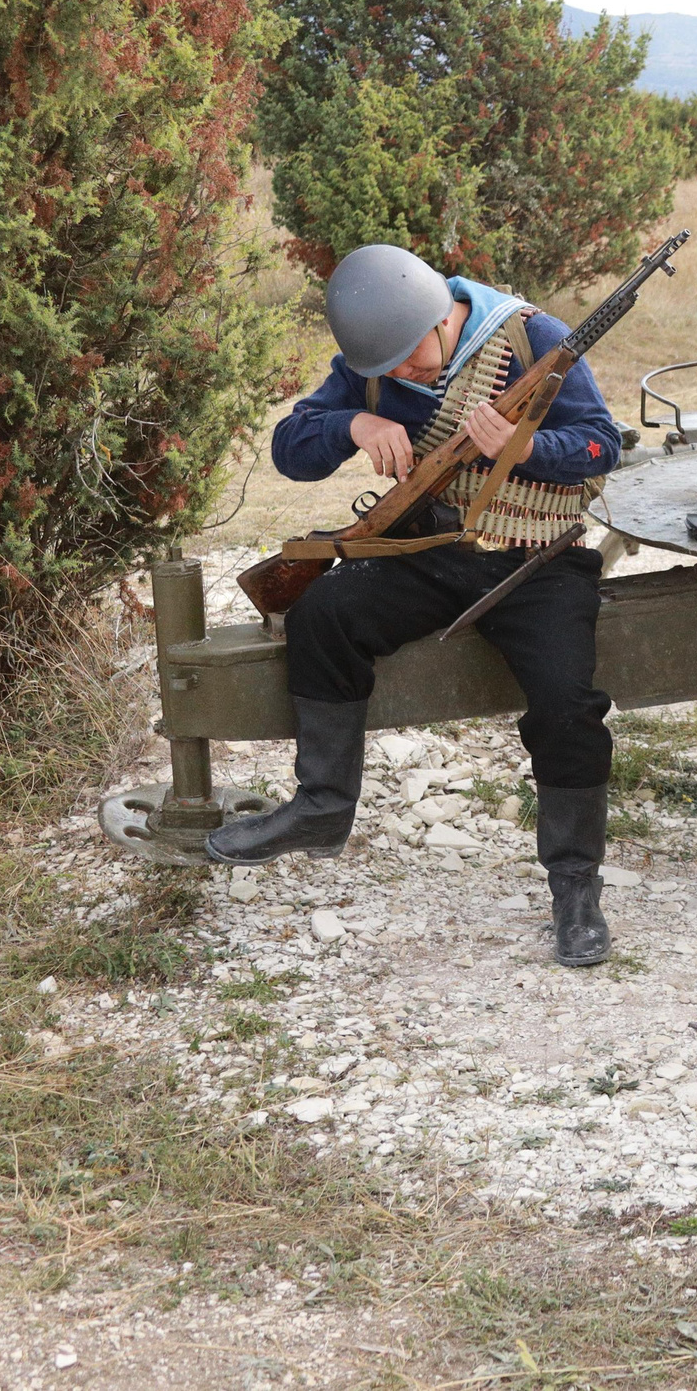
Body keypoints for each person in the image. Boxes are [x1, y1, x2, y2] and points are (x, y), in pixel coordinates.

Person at [206, 243, 626, 969]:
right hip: (430, 554)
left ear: (442, 315)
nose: (405, 374)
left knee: (567, 702)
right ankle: (324, 805)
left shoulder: (532, 339)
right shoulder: (371, 368)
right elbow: (289, 450)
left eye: (411, 358)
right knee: (322, 615)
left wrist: (525, 449)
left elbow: (601, 447)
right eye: (389, 370)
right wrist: (351, 426)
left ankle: (575, 884)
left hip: (538, 557)